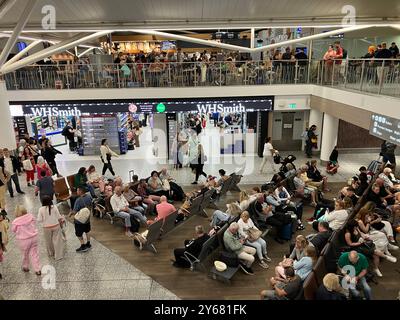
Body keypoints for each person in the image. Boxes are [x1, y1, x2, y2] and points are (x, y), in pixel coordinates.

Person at [11, 205, 41, 275]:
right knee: (34, 254)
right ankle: (38, 269)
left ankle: (26, 267)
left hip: (23, 240)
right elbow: (34, 223)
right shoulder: (30, 216)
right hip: (34, 237)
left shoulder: (15, 221)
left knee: (25, 254)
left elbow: (13, 230)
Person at [37, 195, 65, 261]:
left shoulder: (41, 209)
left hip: (46, 227)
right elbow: (59, 217)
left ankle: (51, 253)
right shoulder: (54, 207)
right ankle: (58, 256)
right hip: (56, 226)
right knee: (57, 241)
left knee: (48, 241)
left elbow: (39, 220)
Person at [69, 186, 93, 252]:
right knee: (87, 230)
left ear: (80, 191)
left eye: (77, 190)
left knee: (78, 233)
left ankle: (83, 246)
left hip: (79, 221)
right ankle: (88, 243)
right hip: (87, 218)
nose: (77, 192)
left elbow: (75, 211)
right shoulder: (89, 196)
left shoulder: (78, 200)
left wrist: (70, 213)